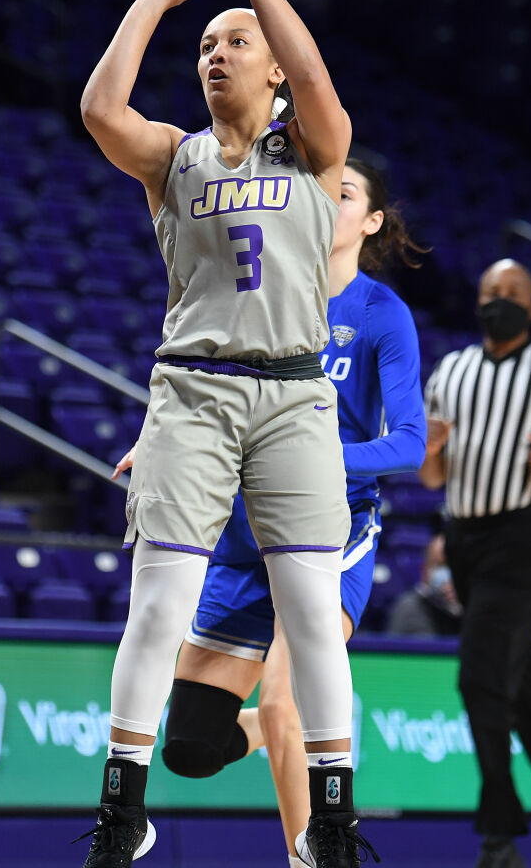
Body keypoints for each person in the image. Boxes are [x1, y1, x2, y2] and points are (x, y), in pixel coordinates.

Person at [76, 0, 367, 868]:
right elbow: (97, 106)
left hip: (292, 394)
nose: (215, 53)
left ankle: (330, 820)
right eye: (207, 46)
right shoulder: (173, 156)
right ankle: (121, 811)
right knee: (154, 604)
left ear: (274, 68)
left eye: (233, 42)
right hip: (192, 390)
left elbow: (321, 80)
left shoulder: (315, 154)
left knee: (310, 625)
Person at [121, 158, 424, 866]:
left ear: (371, 221)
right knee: (191, 747)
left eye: (344, 192)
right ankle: (266, 729)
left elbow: (408, 442)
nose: (328, 197)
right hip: (240, 532)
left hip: (328, 525)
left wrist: (312, 463)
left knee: (289, 706)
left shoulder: (381, 314)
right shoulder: (259, 288)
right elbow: (197, 372)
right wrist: (161, 440)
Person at [419, 258, 531, 868]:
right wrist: (430, 454)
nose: (500, 299)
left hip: (526, 533)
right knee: (522, 686)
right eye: (491, 290)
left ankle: (499, 833)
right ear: (477, 302)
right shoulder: (452, 371)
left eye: (512, 292)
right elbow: (431, 475)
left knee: (480, 674)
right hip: (464, 536)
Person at [385, 535, 462, 639]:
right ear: (424, 570)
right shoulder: (410, 608)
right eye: (439, 566)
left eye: (452, 566)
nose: (447, 575)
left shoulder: (475, 603)